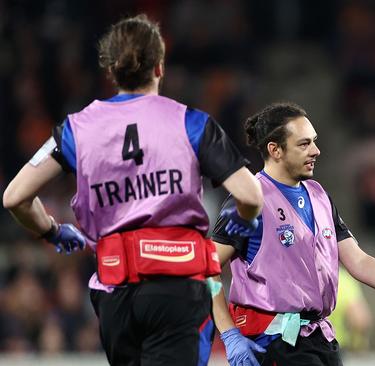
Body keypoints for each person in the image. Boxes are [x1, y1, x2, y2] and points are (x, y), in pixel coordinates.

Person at [2, 14, 263, 366]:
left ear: (111, 71)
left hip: (114, 292)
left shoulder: (75, 130)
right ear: (159, 66)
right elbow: (249, 195)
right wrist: (245, 220)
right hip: (177, 286)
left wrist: (50, 229)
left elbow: (14, 197)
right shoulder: (192, 123)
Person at [210, 102, 375, 366]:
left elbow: (357, 260)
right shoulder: (249, 200)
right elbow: (204, 269)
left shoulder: (318, 196)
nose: (316, 150)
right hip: (272, 339)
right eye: (304, 144)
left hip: (318, 336)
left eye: (314, 141)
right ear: (275, 150)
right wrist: (230, 334)